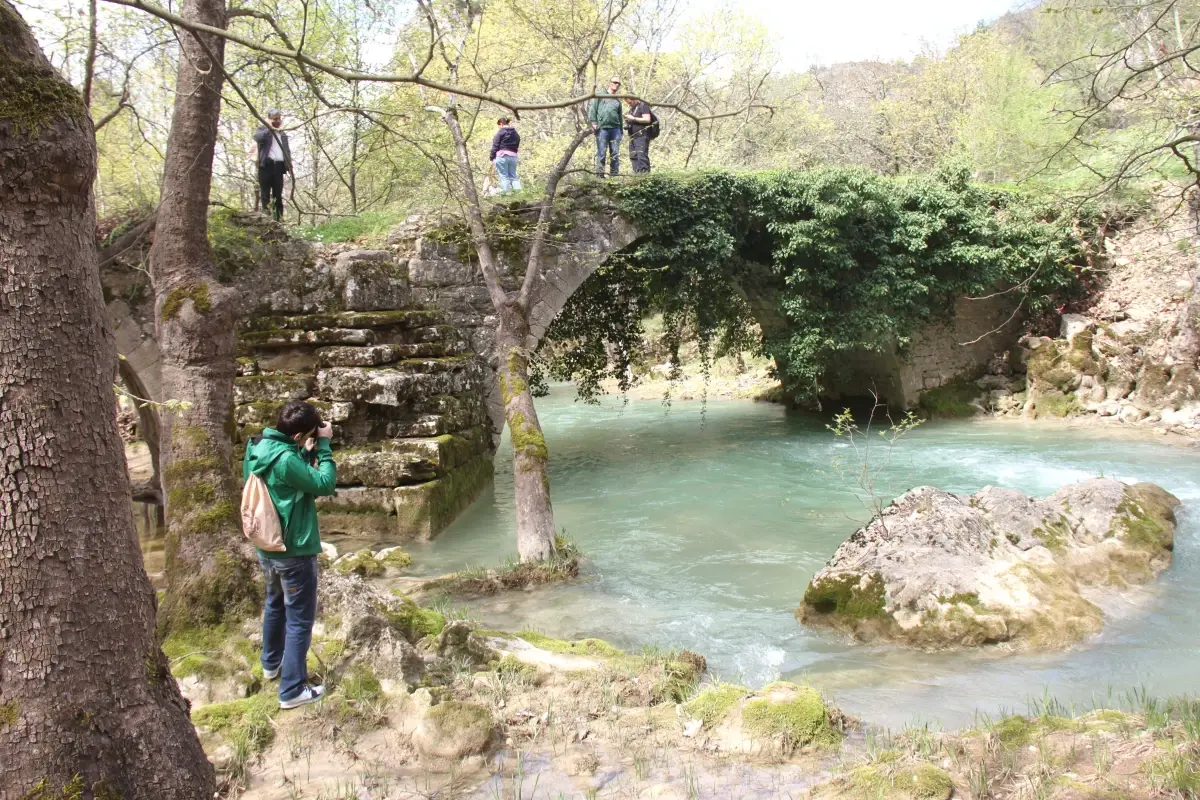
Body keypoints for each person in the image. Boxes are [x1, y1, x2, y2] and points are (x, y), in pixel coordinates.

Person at [242, 400, 337, 709]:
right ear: (298, 436)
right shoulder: (285, 459)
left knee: (274, 604)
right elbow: (324, 483)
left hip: (266, 547)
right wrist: (323, 446)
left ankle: (271, 664)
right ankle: (293, 690)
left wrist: (305, 450)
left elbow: (285, 480)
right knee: (299, 619)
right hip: (294, 550)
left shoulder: (256, 448)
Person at [253, 109, 292, 220]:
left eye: (279, 118)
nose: (278, 121)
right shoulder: (263, 130)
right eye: (275, 119)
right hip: (265, 166)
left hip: (279, 167)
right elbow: (257, 138)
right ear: (269, 119)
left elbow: (287, 150)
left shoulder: (282, 134)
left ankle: (279, 219)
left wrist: (289, 165)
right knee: (265, 194)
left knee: (278, 195)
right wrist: (269, 127)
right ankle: (266, 219)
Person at [588, 77, 624, 178]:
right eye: (615, 82)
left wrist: (621, 131)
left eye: (618, 84)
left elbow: (620, 117)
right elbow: (593, 108)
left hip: (615, 129)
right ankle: (599, 177)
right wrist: (594, 122)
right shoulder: (600, 94)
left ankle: (614, 177)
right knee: (601, 153)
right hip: (602, 129)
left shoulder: (617, 100)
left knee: (615, 154)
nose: (616, 85)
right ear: (609, 83)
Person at [489, 117, 523, 193]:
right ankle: (519, 194)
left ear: (501, 124)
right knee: (513, 176)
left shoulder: (501, 132)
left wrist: (492, 158)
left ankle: (506, 194)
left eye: (498, 126)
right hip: (513, 156)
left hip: (502, 156)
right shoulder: (515, 133)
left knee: (504, 176)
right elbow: (517, 142)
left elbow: (495, 145)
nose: (499, 127)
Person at [624, 96, 654, 174]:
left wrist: (633, 119)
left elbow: (647, 119)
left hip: (642, 136)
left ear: (635, 99)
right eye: (627, 103)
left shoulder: (643, 106)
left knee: (641, 156)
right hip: (632, 136)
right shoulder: (632, 109)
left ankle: (644, 176)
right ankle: (637, 176)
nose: (629, 104)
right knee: (633, 156)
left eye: (630, 102)